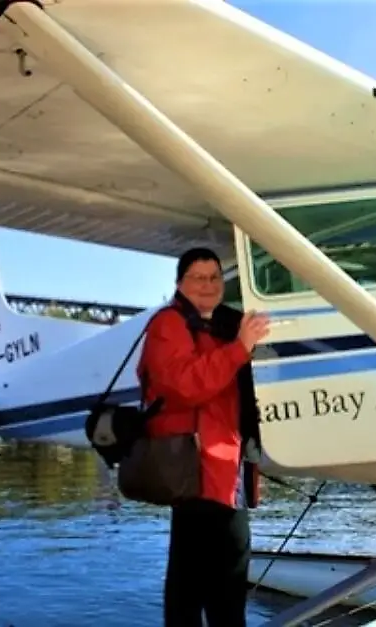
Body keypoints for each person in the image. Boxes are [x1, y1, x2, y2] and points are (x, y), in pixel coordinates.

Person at [136, 247, 270, 627]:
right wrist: (240, 349)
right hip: (198, 473)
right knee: (197, 590)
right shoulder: (169, 324)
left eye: (215, 277)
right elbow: (184, 384)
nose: (208, 285)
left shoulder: (223, 325)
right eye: (198, 277)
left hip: (227, 470)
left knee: (219, 586)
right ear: (179, 283)